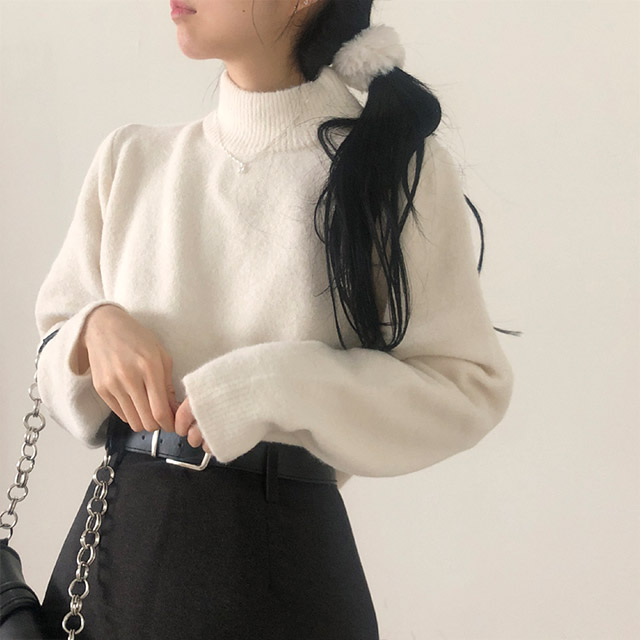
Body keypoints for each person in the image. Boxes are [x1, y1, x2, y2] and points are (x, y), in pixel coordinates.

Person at [34, 1, 515, 638]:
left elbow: (466, 386)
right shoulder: (133, 159)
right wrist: (91, 329)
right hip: (111, 566)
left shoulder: (391, 168)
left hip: (281, 570)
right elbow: (52, 351)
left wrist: (274, 385)